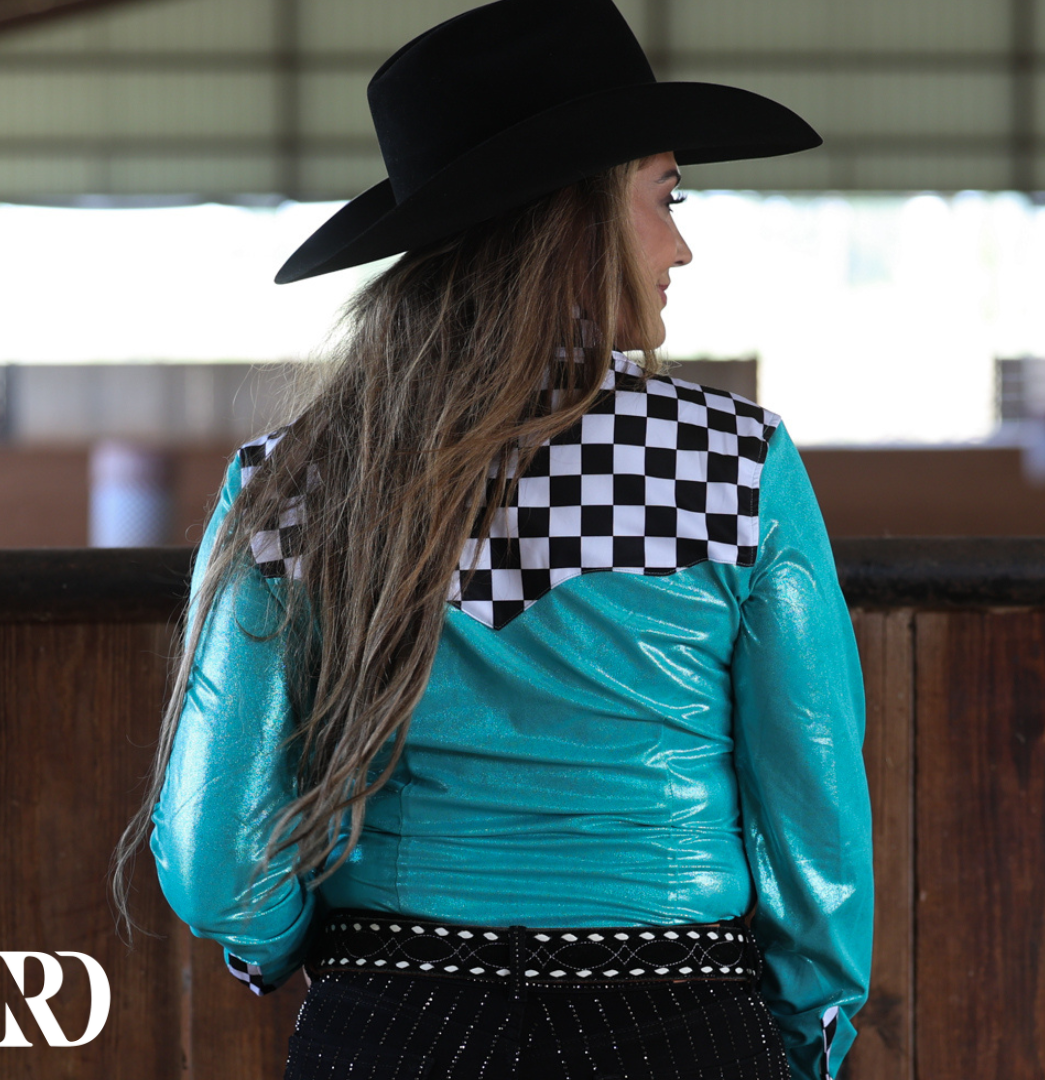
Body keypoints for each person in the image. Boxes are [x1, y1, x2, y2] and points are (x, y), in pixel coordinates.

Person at [115, 1, 872, 1077]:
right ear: (573, 216)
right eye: (666, 196)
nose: (682, 246)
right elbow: (815, 823)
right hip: (679, 1021)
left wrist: (314, 954)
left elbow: (216, 862)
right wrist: (801, 1044)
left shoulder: (297, 484)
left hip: (391, 1020)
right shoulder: (737, 466)